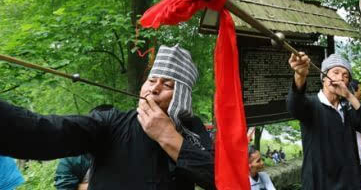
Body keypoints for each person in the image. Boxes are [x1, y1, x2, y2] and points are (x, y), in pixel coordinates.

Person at [0, 44, 214, 190]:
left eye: (167, 84)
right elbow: (48, 131)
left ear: (182, 98)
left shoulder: (191, 130)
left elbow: (219, 178)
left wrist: (168, 136)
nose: (154, 88)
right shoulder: (111, 122)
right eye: (151, 80)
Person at [287, 53, 361, 190]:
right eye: (336, 72)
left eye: (345, 75)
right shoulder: (311, 105)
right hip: (320, 183)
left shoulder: (348, 108)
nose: (340, 78)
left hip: (350, 183)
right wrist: (300, 76)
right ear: (324, 78)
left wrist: (350, 96)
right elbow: (294, 106)